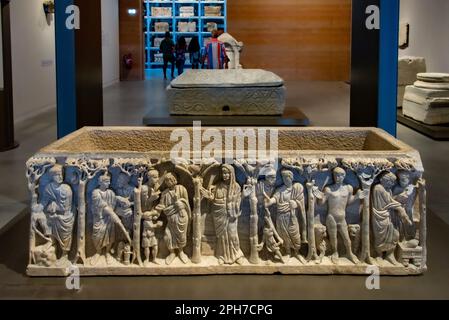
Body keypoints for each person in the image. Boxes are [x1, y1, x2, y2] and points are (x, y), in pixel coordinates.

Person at [315, 167, 364, 264]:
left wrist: (357, 197)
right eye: (336, 175)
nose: (338, 177)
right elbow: (321, 203)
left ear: (344, 176)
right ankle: (335, 253)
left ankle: (350, 253)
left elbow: (349, 201)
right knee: (333, 238)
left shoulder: (348, 188)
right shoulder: (329, 189)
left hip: (342, 218)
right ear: (333, 176)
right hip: (331, 217)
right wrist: (319, 196)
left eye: (341, 175)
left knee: (347, 239)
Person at [205, 165, 245, 265]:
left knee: (232, 235)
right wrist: (210, 198)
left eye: (227, 173)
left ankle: (236, 254)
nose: (225, 175)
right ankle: (222, 255)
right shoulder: (217, 187)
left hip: (231, 216)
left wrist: (242, 196)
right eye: (223, 173)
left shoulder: (236, 187)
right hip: (220, 216)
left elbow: (238, 201)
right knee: (222, 236)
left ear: (232, 174)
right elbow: (214, 201)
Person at [265, 169, 306, 263]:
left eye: (287, 177)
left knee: (295, 235)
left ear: (291, 178)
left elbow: (301, 201)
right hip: (281, 217)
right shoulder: (280, 190)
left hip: (292, 217)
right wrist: (269, 202)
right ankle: (288, 252)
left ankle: (297, 252)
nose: (285, 179)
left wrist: (296, 203)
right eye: (283, 177)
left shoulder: (297, 188)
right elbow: (275, 198)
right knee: (284, 235)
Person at [372, 172, 413, 265]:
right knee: (380, 237)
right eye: (391, 181)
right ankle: (379, 255)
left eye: (393, 182)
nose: (392, 184)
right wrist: (401, 210)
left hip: (388, 215)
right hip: (379, 217)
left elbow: (391, 201)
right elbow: (390, 202)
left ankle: (390, 256)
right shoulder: (378, 188)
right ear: (384, 180)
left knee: (395, 234)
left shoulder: (388, 190)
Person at [41, 164, 75, 266]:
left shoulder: (66, 189)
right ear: (52, 177)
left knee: (65, 234)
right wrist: (39, 207)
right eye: (57, 175)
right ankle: (51, 240)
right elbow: (43, 202)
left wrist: (55, 206)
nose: (60, 177)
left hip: (65, 216)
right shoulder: (48, 188)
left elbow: (66, 208)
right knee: (45, 218)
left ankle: (64, 255)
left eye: (61, 174)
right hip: (53, 215)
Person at [158, 173, 191, 265]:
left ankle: (181, 252)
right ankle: (172, 253)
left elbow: (186, 203)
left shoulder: (181, 189)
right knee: (167, 236)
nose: (167, 182)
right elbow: (162, 205)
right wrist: (157, 211)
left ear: (174, 179)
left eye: (169, 180)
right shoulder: (164, 193)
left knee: (181, 236)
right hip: (171, 219)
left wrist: (179, 203)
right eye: (166, 180)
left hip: (182, 217)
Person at [91, 173, 117, 266]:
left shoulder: (111, 193)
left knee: (110, 236)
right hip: (99, 218)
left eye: (109, 181)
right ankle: (98, 252)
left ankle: (107, 253)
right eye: (106, 181)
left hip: (109, 218)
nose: (109, 183)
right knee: (97, 235)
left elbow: (114, 203)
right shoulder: (95, 192)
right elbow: (100, 203)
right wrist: (109, 211)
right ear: (100, 182)